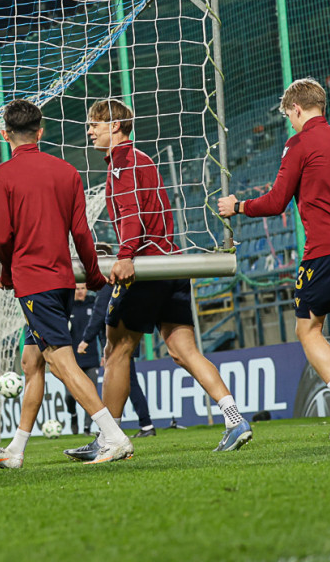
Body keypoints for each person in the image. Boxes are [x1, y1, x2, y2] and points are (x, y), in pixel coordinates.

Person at [219, 78, 330, 442]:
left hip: (325, 250)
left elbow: (276, 201)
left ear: (296, 109)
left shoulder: (298, 144)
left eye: (288, 116)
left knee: (307, 328)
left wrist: (238, 206)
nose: (290, 122)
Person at [88, 98, 251, 453]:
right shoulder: (143, 159)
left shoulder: (122, 162)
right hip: (172, 264)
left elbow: (132, 215)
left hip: (146, 267)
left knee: (116, 349)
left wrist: (125, 255)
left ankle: (108, 439)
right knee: (183, 351)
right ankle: (235, 418)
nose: (90, 132)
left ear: (115, 125)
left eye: (95, 124)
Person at [0, 99, 132, 468]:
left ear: (5, 135)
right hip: (62, 281)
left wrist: (7, 270)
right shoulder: (66, 172)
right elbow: (81, 233)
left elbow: (0, 236)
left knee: (61, 362)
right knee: (32, 360)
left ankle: (113, 436)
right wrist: (93, 275)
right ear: (41, 132)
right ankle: (15, 450)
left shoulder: (1, 176)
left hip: (33, 282)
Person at [79, 282, 156, 437]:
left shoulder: (107, 286)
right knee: (130, 382)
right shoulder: (121, 285)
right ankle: (142, 425)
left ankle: (142, 425)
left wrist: (86, 339)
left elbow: (99, 314)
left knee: (128, 382)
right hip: (126, 336)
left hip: (118, 341)